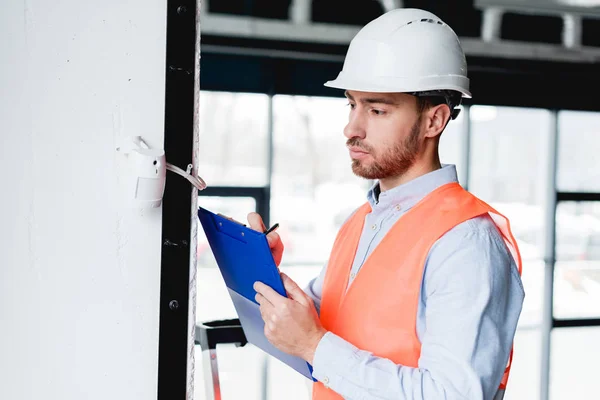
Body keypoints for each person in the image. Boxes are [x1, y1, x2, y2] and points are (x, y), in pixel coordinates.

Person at [248, 8, 525, 400]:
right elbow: (304, 329)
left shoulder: (466, 242)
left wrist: (314, 345)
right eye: (352, 105)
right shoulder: (360, 222)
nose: (352, 129)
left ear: (434, 121)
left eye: (376, 110)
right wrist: (256, 265)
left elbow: (451, 394)